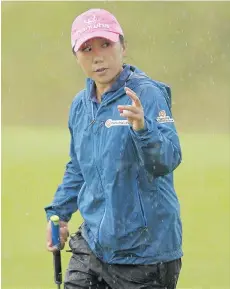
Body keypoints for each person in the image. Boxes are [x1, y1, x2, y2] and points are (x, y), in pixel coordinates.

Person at [45, 8, 183, 289]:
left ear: (123, 46)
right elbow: (78, 166)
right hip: (94, 246)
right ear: (76, 56)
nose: (98, 56)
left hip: (146, 255)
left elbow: (166, 161)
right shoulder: (80, 105)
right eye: (87, 48)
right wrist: (58, 215)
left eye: (106, 44)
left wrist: (144, 130)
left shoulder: (147, 94)